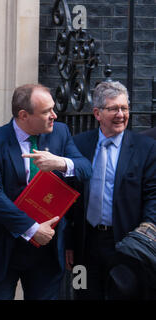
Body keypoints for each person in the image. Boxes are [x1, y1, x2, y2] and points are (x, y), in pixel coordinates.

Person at [0, 83, 92, 300]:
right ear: (23, 115)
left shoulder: (61, 133)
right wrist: (32, 229)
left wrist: (60, 162)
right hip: (3, 247)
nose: (54, 116)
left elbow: (86, 169)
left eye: (53, 109)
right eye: (46, 111)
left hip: (47, 251)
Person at [65, 81, 156, 300]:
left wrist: (146, 235)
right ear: (97, 113)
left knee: (123, 296)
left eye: (124, 108)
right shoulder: (77, 145)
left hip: (127, 245)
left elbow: (153, 195)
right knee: (83, 293)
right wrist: (69, 243)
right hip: (85, 245)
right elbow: (68, 196)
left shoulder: (145, 148)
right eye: (113, 108)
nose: (121, 114)